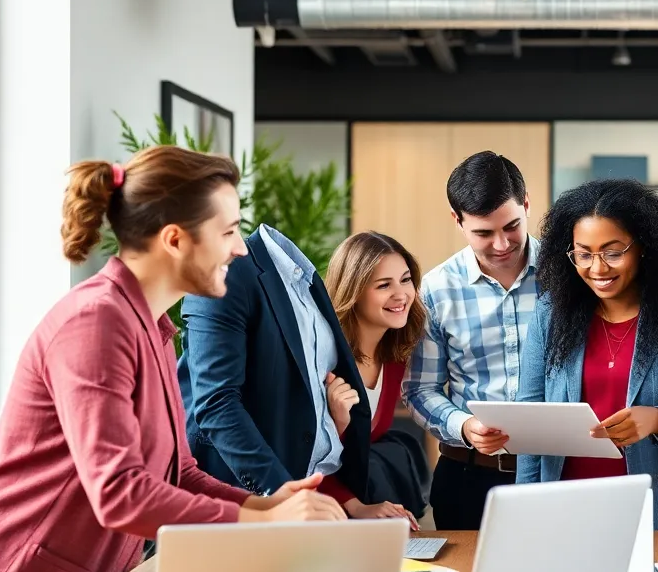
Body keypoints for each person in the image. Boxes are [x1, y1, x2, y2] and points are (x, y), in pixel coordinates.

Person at [0, 146, 346, 572]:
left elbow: (181, 472)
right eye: (227, 231)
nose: (240, 250)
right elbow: (119, 493)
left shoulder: (151, 327)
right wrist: (260, 525)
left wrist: (268, 504)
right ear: (175, 238)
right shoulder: (95, 324)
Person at [516, 178, 658, 529]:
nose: (598, 268)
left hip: (652, 511)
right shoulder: (550, 314)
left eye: (613, 251)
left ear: (643, 247)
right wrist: (524, 509)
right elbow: (529, 423)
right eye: (584, 254)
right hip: (562, 508)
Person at [177, 221, 375, 512]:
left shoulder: (299, 277)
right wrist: (280, 489)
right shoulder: (225, 275)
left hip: (302, 492)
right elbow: (217, 403)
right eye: (228, 228)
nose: (238, 246)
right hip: (237, 499)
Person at [403, 151, 540, 529]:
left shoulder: (569, 276)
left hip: (556, 473)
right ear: (457, 221)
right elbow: (419, 389)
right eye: (483, 233)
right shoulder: (435, 290)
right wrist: (463, 425)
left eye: (512, 225)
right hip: (468, 479)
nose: (501, 244)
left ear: (527, 204)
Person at [322, 231, 428, 524]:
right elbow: (303, 459)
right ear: (353, 291)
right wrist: (355, 506)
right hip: (317, 512)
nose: (401, 295)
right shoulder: (323, 361)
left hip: (354, 511)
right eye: (384, 285)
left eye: (406, 280)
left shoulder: (395, 360)